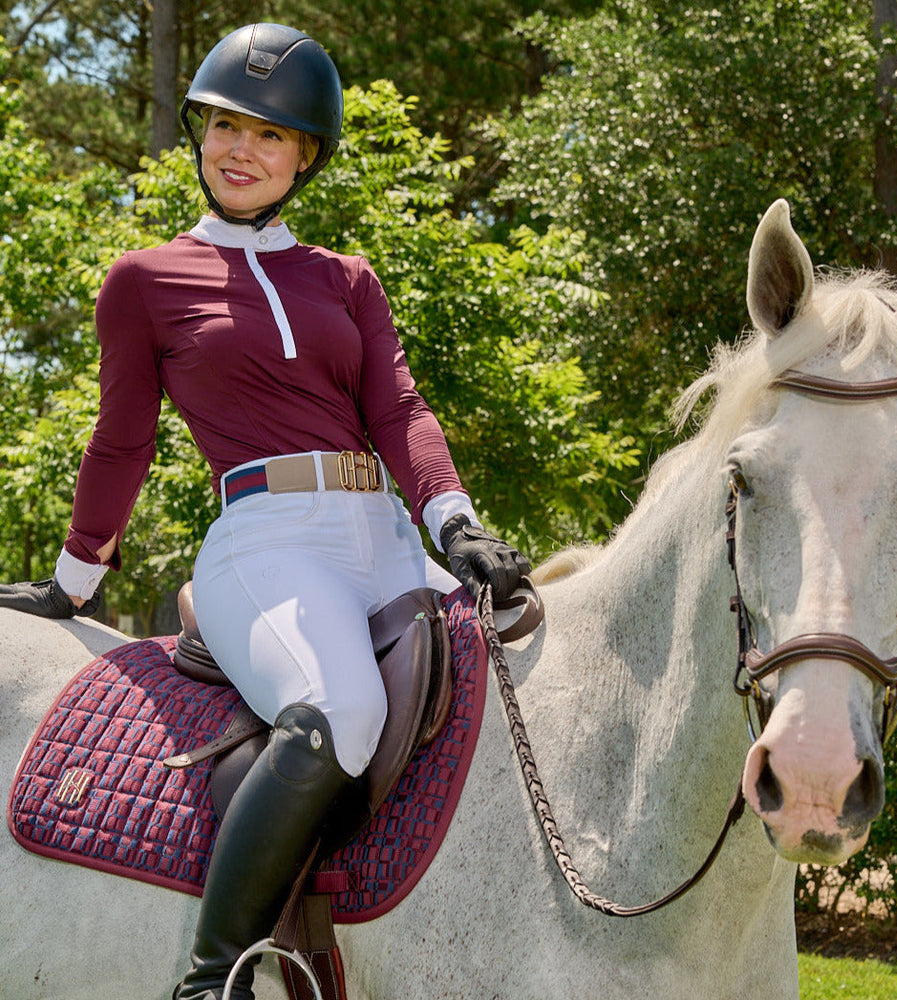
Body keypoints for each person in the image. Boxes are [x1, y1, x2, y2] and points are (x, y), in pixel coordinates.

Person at [0, 22, 530, 1000]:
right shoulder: (146, 282)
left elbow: (398, 409)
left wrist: (455, 526)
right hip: (266, 543)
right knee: (339, 708)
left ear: (306, 156)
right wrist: (74, 580)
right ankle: (214, 977)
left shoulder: (347, 281)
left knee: (519, 677)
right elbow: (120, 440)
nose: (240, 149)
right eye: (223, 127)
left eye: (269, 134)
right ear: (199, 138)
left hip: (382, 535)